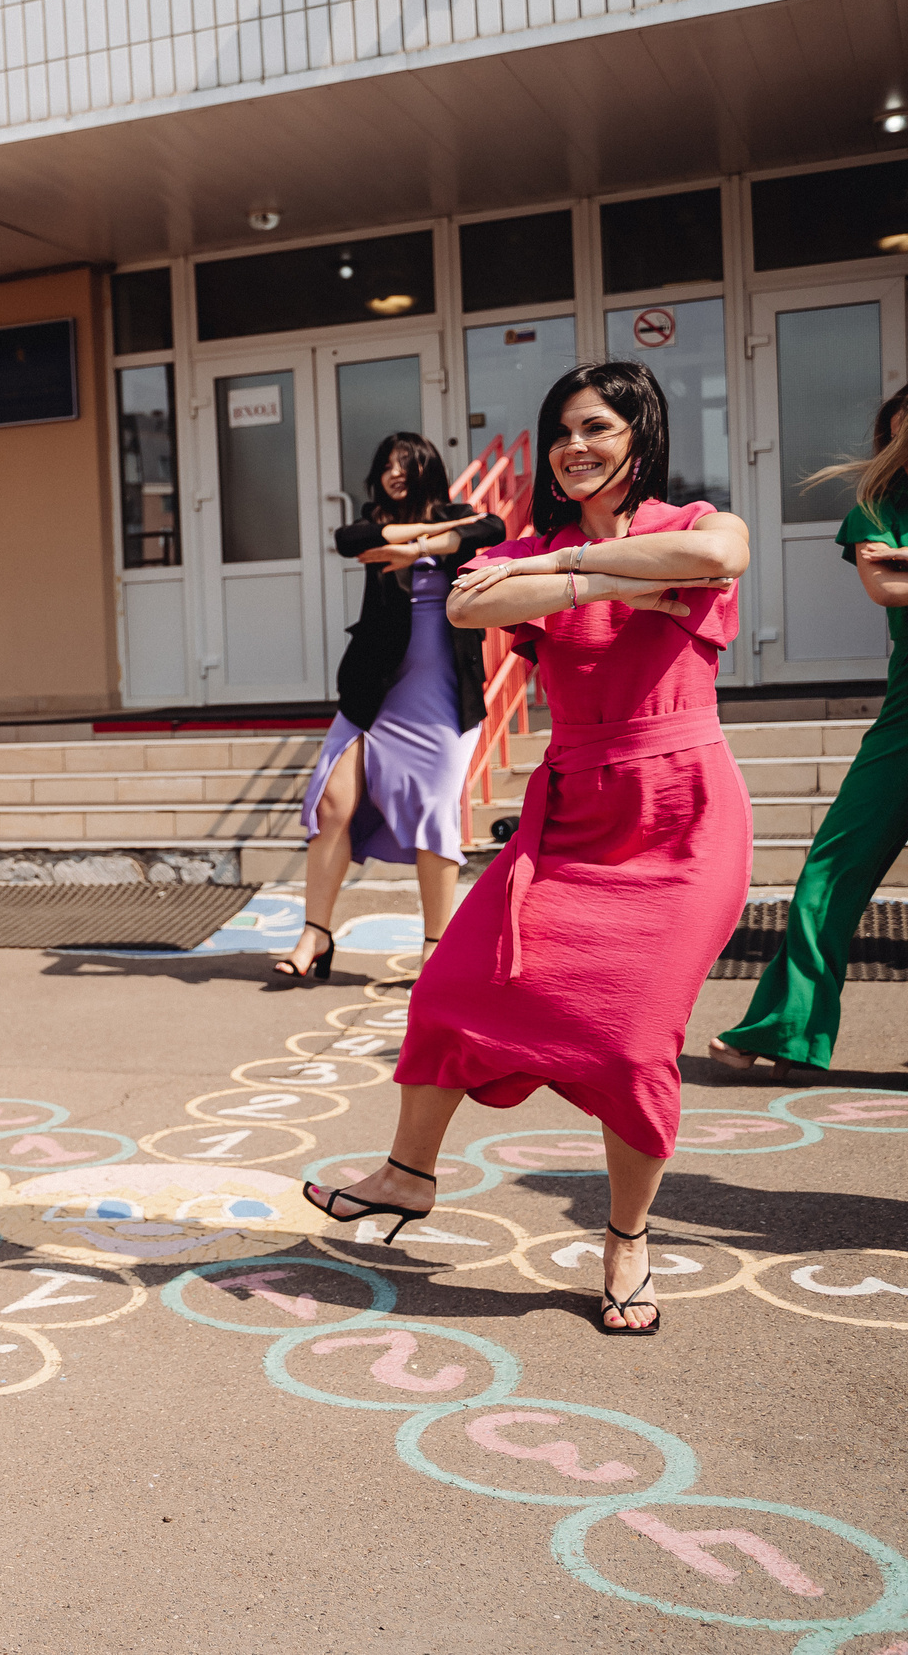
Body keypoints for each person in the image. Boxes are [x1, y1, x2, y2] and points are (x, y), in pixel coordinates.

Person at [302, 361, 748, 1340]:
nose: (572, 449)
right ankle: (409, 1174)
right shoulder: (538, 546)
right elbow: (466, 603)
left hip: (679, 816)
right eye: (558, 433)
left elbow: (722, 556)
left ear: (639, 435)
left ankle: (625, 1237)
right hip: (571, 812)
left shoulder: (688, 522)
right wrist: (604, 575)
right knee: (452, 987)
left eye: (595, 428)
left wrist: (570, 579)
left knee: (630, 1043)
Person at [711, 383, 908, 1077]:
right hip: (903, 727)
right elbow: (885, 585)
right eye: (899, 428)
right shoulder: (876, 511)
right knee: (828, 873)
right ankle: (784, 1028)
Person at [275, 434, 504, 979]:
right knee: (332, 805)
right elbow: (349, 537)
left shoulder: (459, 516)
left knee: (434, 812)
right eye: (387, 465)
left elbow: (490, 528)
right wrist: (420, 540)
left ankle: (434, 946)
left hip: (443, 694)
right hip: (375, 690)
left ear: (427, 468)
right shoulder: (372, 519)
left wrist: (425, 545)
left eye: (406, 464)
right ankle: (316, 935)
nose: (395, 473)